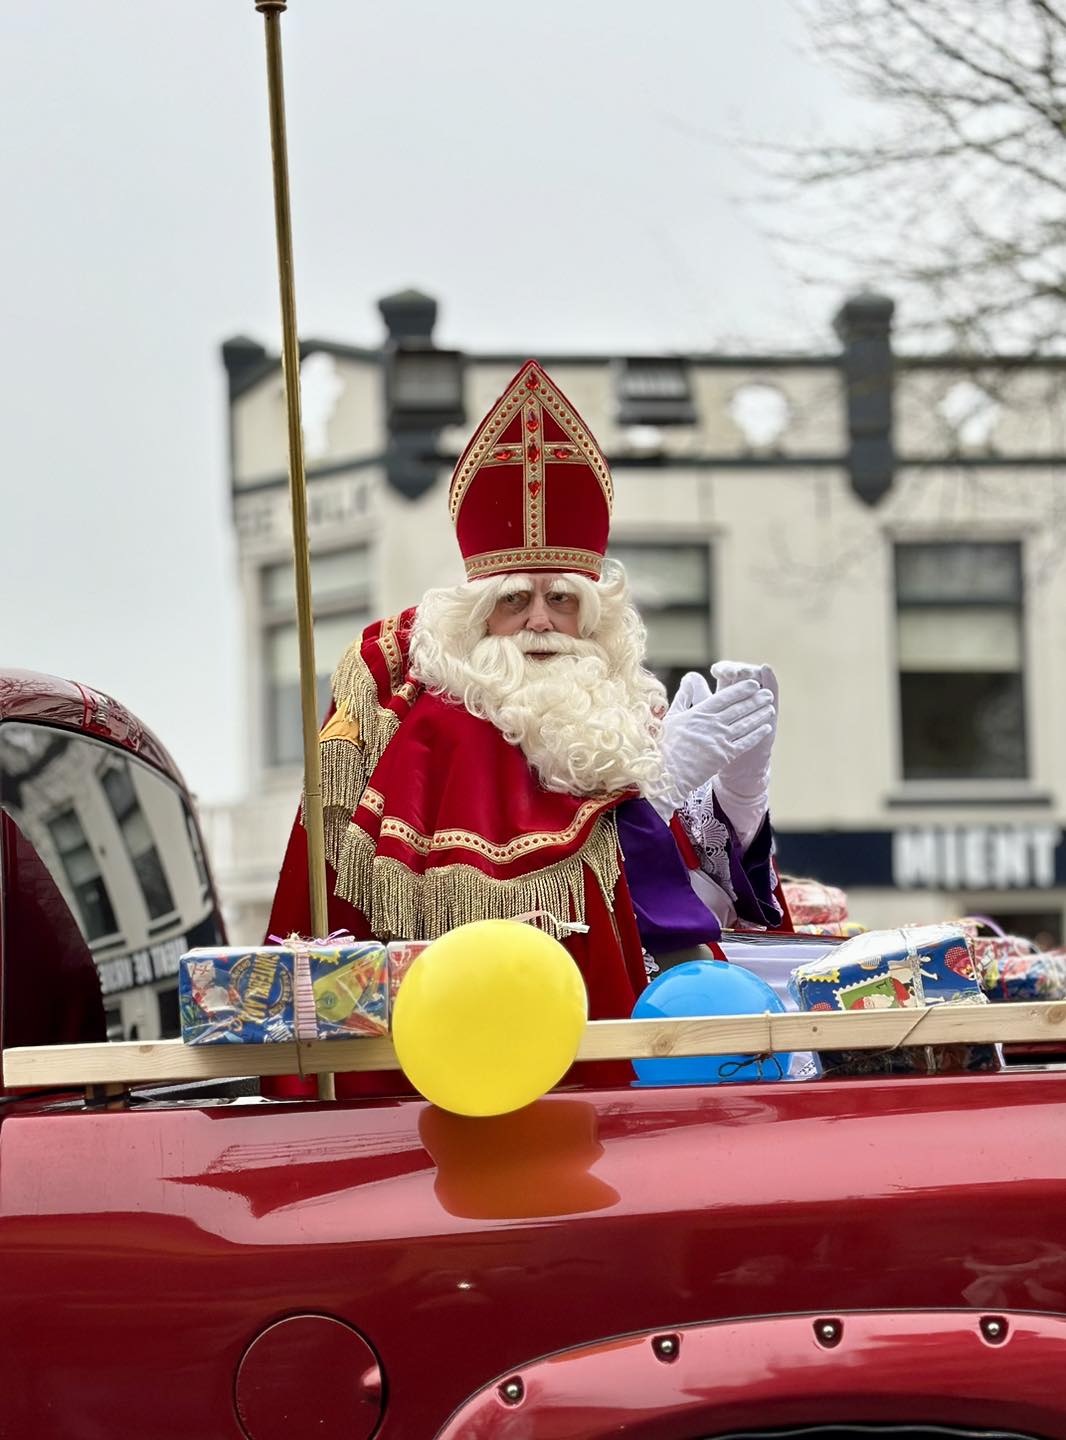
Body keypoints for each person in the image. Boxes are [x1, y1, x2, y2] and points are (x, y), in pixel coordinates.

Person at [267, 360, 783, 1089]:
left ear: (593, 613)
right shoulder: (445, 718)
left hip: (640, 1046)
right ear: (480, 610)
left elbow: (678, 909)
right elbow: (530, 888)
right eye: (516, 599)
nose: (541, 621)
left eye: (562, 600)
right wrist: (657, 789)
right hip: (490, 1057)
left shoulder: (613, 708)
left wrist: (734, 800)